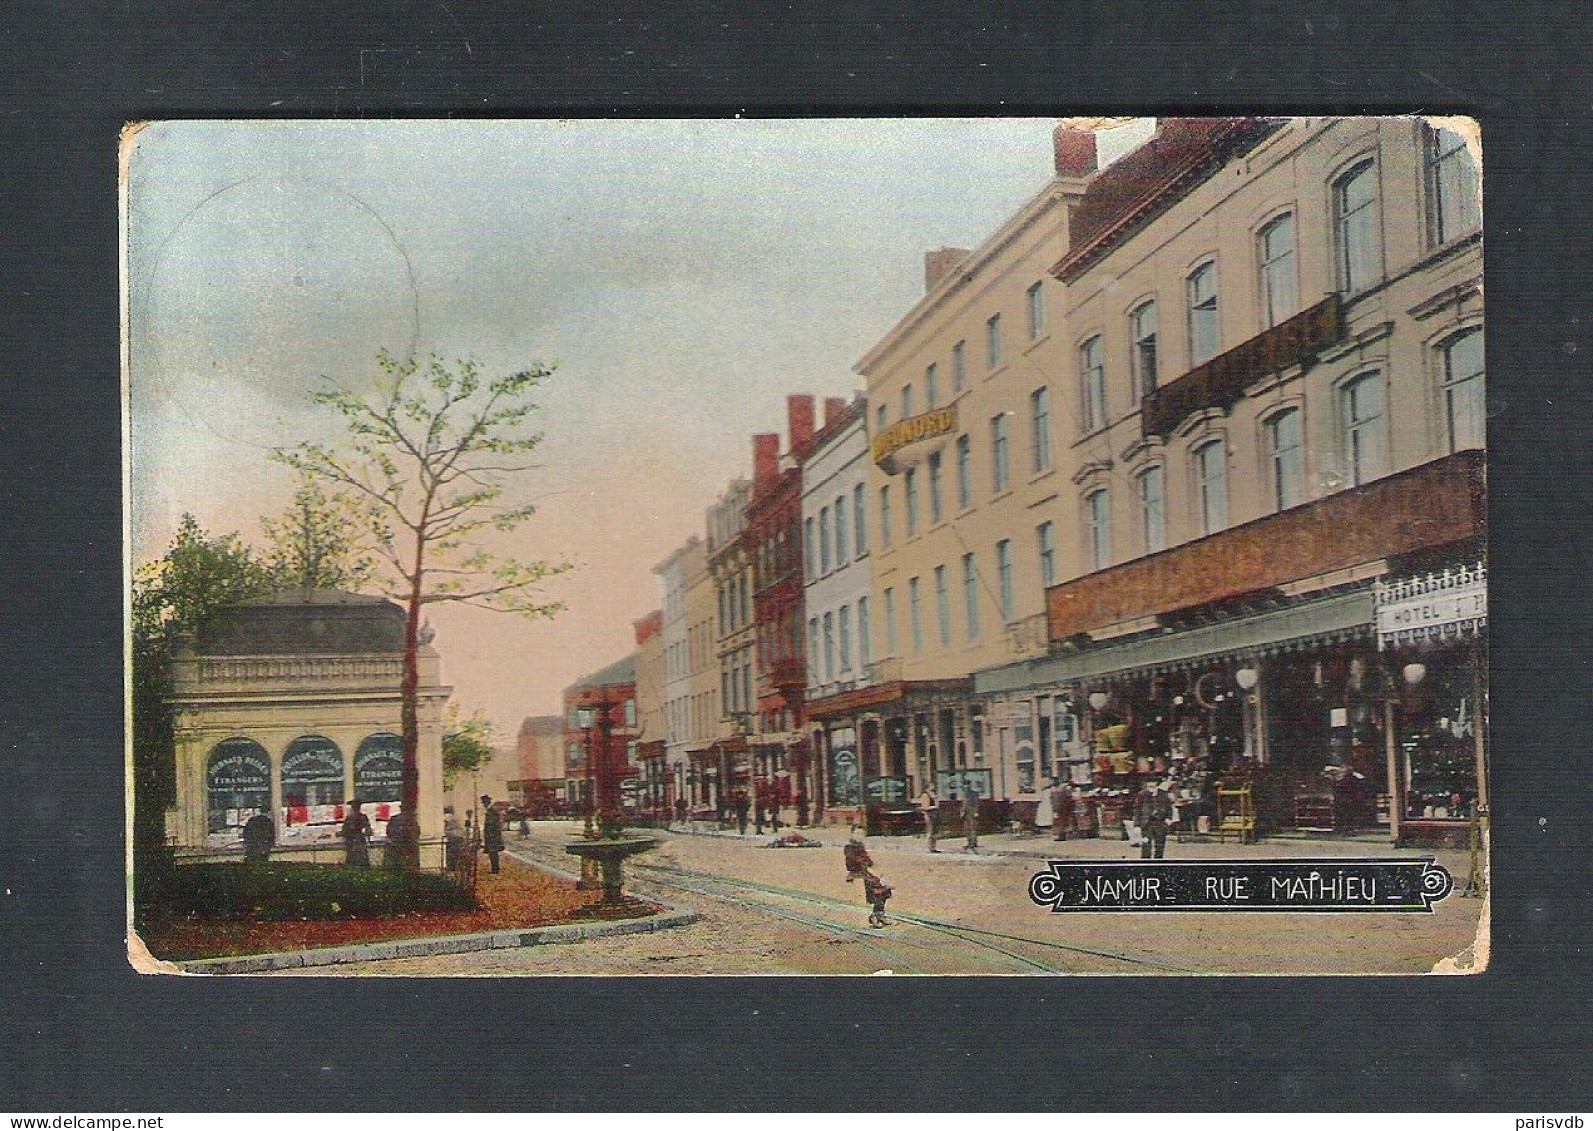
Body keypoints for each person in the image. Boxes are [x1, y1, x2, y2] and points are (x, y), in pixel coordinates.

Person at [1134, 780, 1173, 860]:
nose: (1151, 788)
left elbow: (1169, 807)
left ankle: (1158, 864)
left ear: (1157, 785)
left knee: (1160, 846)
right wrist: (1137, 825)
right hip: (1146, 823)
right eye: (1149, 786)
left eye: (1153, 786)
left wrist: (1168, 818)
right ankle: (1145, 865)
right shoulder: (1142, 794)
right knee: (1146, 847)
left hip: (1160, 823)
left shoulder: (1163, 794)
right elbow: (1137, 809)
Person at [339, 798, 372, 867]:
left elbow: (345, 830)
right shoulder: (359, 817)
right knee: (357, 857)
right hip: (357, 840)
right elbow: (368, 829)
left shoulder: (352, 817)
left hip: (354, 840)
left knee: (354, 857)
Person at [480, 794, 505, 874]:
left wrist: (490, 835)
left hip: (493, 836)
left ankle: (495, 869)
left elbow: (493, 824)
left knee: (493, 853)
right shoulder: (491, 810)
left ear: (487, 802)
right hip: (492, 836)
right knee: (492, 853)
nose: (483, 804)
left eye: (484, 802)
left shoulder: (492, 811)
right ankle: (495, 869)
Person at [917, 783, 940, 852]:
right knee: (930, 830)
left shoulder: (933, 794)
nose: (933, 787)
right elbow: (925, 807)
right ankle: (930, 846)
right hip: (929, 814)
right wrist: (934, 807)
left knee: (935, 831)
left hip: (935, 814)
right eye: (931, 785)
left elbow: (937, 804)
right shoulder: (925, 795)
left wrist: (935, 799)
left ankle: (934, 846)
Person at [962, 783, 980, 853]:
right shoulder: (964, 794)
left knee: (972, 828)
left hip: (972, 813)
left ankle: (973, 843)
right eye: (965, 786)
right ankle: (969, 841)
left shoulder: (974, 794)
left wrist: (975, 812)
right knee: (967, 829)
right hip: (966, 814)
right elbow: (963, 804)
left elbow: (976, 804)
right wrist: (962, 811)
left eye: (967, 785)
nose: (966, 787)